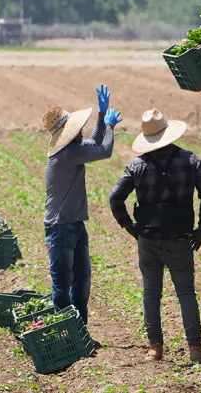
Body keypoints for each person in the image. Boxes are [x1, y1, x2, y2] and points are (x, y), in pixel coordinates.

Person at [109, 109, 201, 364]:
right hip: (180, 239)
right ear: (168, 132)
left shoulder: (137, 165)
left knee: (151, 294)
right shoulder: (191, 161)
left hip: (148, 239)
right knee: (186, 294)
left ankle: (155, 347)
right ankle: (196, 348)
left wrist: (130, 227)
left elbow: (115, 198)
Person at [42, 85, 122, 332]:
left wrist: (101, 115)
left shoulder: (71, 150)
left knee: (82, 281)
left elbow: (94, 142)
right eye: (78, 129)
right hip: (60, 228)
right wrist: (109, 126)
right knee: (63, 284)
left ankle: (80, 332)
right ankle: (65, 334)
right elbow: (104, 150)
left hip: (74, 225)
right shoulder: (67, 154)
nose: (82, 131)